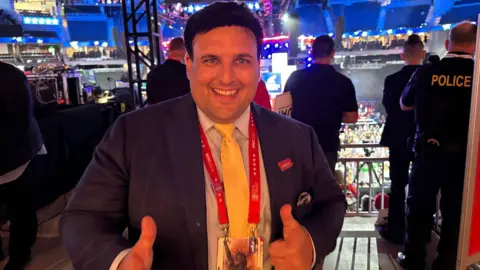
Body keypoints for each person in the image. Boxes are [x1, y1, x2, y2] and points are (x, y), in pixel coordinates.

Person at [60, 3, 346, 270]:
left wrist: (310, 245)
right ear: (189, 64)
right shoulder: (133, 133)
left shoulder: (297, 136)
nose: (226, 77)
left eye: (242, 61)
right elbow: (84, 218)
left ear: (259, 66)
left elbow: (331, 204)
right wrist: (120, 262)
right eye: (211, 60)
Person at [397, 21, 477, 270]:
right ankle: (448, 260)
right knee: (455, 210)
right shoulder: (477, 74)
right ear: (475, 46)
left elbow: (404, 104)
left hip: (428, 151)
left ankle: (414, 259)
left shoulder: (426, 71)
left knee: (419, 206)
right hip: (466, 157)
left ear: (447, 43)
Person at [284, 35, 359, 173]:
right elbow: (352, 117)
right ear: (332, 54)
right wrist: (333, 115)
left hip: (299, 144)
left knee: (299, 189)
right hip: (327, 145)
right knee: (324, 190)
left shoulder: (295, 78)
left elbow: (283, 110)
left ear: (311, 52)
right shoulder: (343, 82)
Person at [379, 34, 426, 245]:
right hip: (422, 138)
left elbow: (389, 108)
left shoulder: (391, 80)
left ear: (402, 54)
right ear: (423, 54)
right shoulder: (429, 78)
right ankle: (418, 233)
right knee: (422, 187)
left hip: (397, 137)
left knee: (397, 185)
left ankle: (396, 230)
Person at [0, 62, 43, 269]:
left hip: (14, 156)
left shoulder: (10, 77)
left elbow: (20, 123)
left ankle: (20, 255)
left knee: (20, 209)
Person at [146, 37, 190, 105]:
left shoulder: (153, 74)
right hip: (183, 114)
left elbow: (151, 101)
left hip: (158, 114)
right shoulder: (188, 73)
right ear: (183, 51)